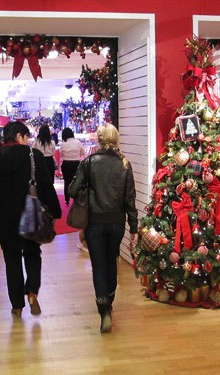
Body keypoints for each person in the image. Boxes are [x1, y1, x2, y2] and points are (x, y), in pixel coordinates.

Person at [0, 121, 62, 318]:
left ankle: (16, 305)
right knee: (32, 252)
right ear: (19, 136)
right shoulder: (32, 155)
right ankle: (32, 291)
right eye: (26, 137)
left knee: (11, 258)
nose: (28, 140)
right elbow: (45, 185)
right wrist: (55, 209)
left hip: (4, 218)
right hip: (30, 215)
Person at [68, 123, 138, 333]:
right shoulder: (125, 164)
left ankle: (103, 309)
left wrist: (85, 187)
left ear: (99, 139)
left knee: (98, 265)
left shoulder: (89, 163)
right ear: (116, 139)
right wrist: (133, 227)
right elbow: (130, 199)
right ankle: (110, 300)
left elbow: (72, 190)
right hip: (116, 223)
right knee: (111, 262)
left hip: (95, 222)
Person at [59, 127, 85, 205]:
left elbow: (60, 154)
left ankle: (67, 199)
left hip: (66, 164)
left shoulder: (63, 144)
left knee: (66, 182)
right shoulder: (78, 142)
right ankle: (75, 197)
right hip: (76, 164)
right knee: (77, 181)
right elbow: (83, 152)